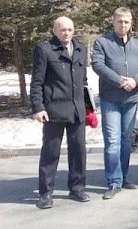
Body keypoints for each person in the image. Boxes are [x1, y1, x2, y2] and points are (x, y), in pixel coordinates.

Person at [92, 7, 138, 200]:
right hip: (111, 99)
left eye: (126, 22)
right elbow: (98, 65)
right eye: (120, 21)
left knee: (126, 141)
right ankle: (113, 181)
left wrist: (135, 81)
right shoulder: (102, 42)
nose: (123, 25)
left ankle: (123, 177)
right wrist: (120, 80)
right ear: (113, 21)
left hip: (131, 99)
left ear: (131, 23)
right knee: (113, 140)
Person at [30, 16, 90, 209]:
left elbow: (83, 82)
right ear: (54, 31)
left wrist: (89, 108)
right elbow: (37, 81)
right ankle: (45, 193)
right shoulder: (45, 49)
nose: (67, 33)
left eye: (70, 29)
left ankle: (77, 188)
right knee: (51, 152)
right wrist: (38, 107)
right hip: (54, 109)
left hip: (77, 110)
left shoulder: (80, 48)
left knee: (78, 150)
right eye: (62, 29)